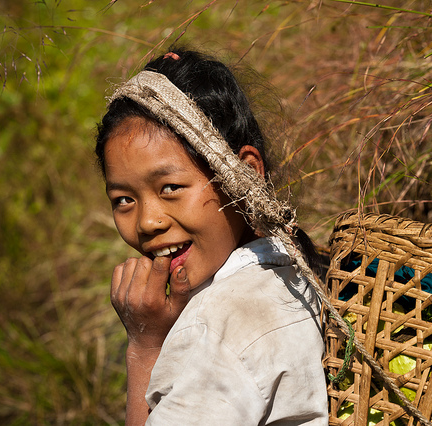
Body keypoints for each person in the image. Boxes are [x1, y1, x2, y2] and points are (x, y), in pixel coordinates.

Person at [95, 47, 328, 425]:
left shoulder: (217, 325)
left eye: (170, 187)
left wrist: (144, 346)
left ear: (245, 175)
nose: (147, 222)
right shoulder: (291, 277)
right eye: (123, 199)